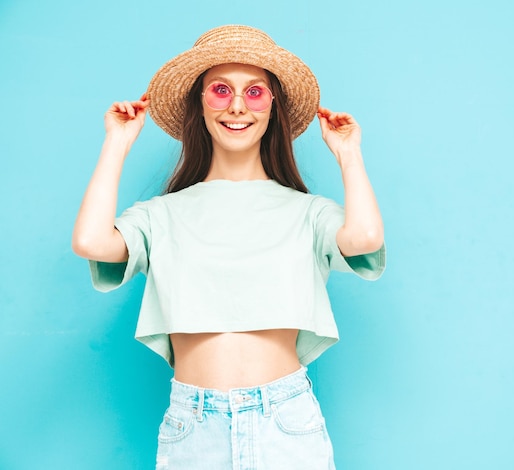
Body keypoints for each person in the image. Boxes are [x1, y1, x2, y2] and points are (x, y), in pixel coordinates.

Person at [72, 24, 385, 469]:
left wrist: (349, 154)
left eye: (255, 92)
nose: (237, 106)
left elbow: (365, 238)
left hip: (287, 423)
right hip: (193, 426)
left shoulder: (308, 212)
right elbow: (91, 242)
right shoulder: (162, 214)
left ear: (273, 106)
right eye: (220, 90)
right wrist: (117, 144)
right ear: (198, 103)